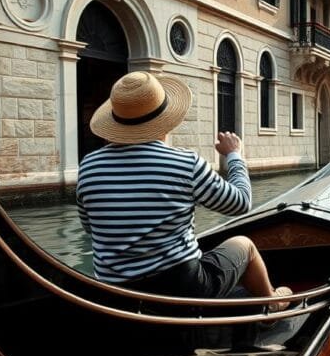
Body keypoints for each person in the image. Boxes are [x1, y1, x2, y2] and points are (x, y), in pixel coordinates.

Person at [76, 71, 291, 307]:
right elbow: (240, 203)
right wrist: (234, 156)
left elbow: (90, 226)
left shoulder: (89, 166)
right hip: (181, 288)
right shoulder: (184, 163)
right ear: (165, 121)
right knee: (245, 245)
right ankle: (272, 303)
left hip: (116, 293)